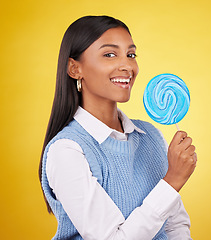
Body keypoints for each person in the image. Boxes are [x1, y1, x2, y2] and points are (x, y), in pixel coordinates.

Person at [39, 15, 197, 240]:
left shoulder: (150, 136)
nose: (127, 66)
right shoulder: (67, 151)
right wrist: (172, 181)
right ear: (75, 69)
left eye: (131, 55)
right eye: (110, 54)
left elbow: (175, 226)